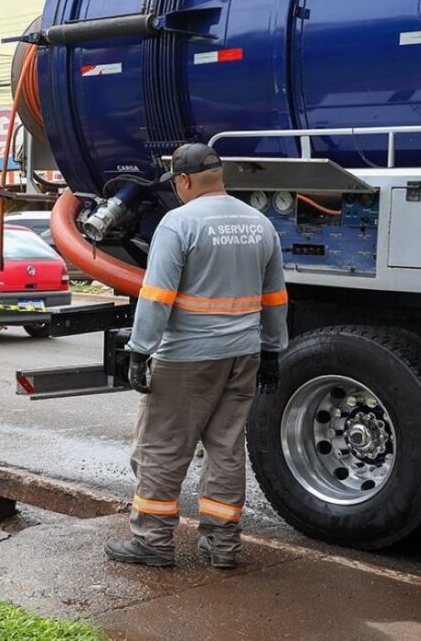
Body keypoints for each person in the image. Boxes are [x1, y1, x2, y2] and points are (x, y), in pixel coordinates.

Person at [104, 143, 289, 570]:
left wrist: (140, 350)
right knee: (225, 449)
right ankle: (222, 546)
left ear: (184, 181)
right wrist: (273, 350)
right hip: (243, 355)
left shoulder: (178, 223)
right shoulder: (260, 224)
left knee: (161, 448)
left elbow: (157, 296)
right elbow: (276, 297)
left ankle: (152, 542)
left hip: (187, 357)